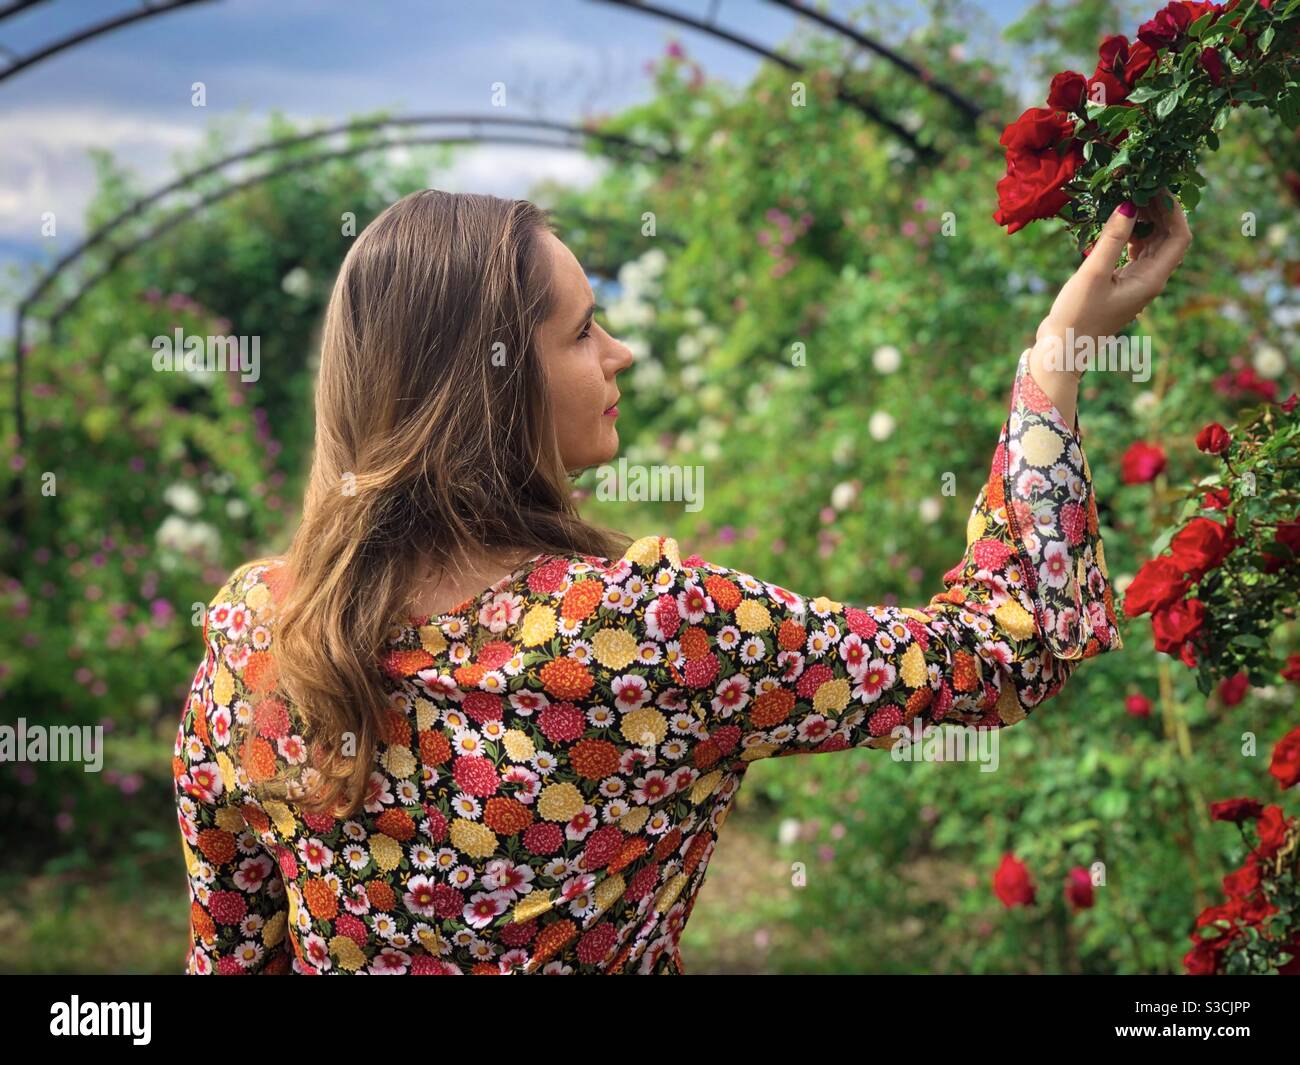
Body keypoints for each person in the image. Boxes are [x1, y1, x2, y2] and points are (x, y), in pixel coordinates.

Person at [172, 188, 1191, 974]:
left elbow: (230, 957)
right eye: (580, 331)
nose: (620, 352)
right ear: (488, 382)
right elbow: (1006, 648)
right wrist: (1057, 357)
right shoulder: (646, 634)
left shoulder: (255, 632)